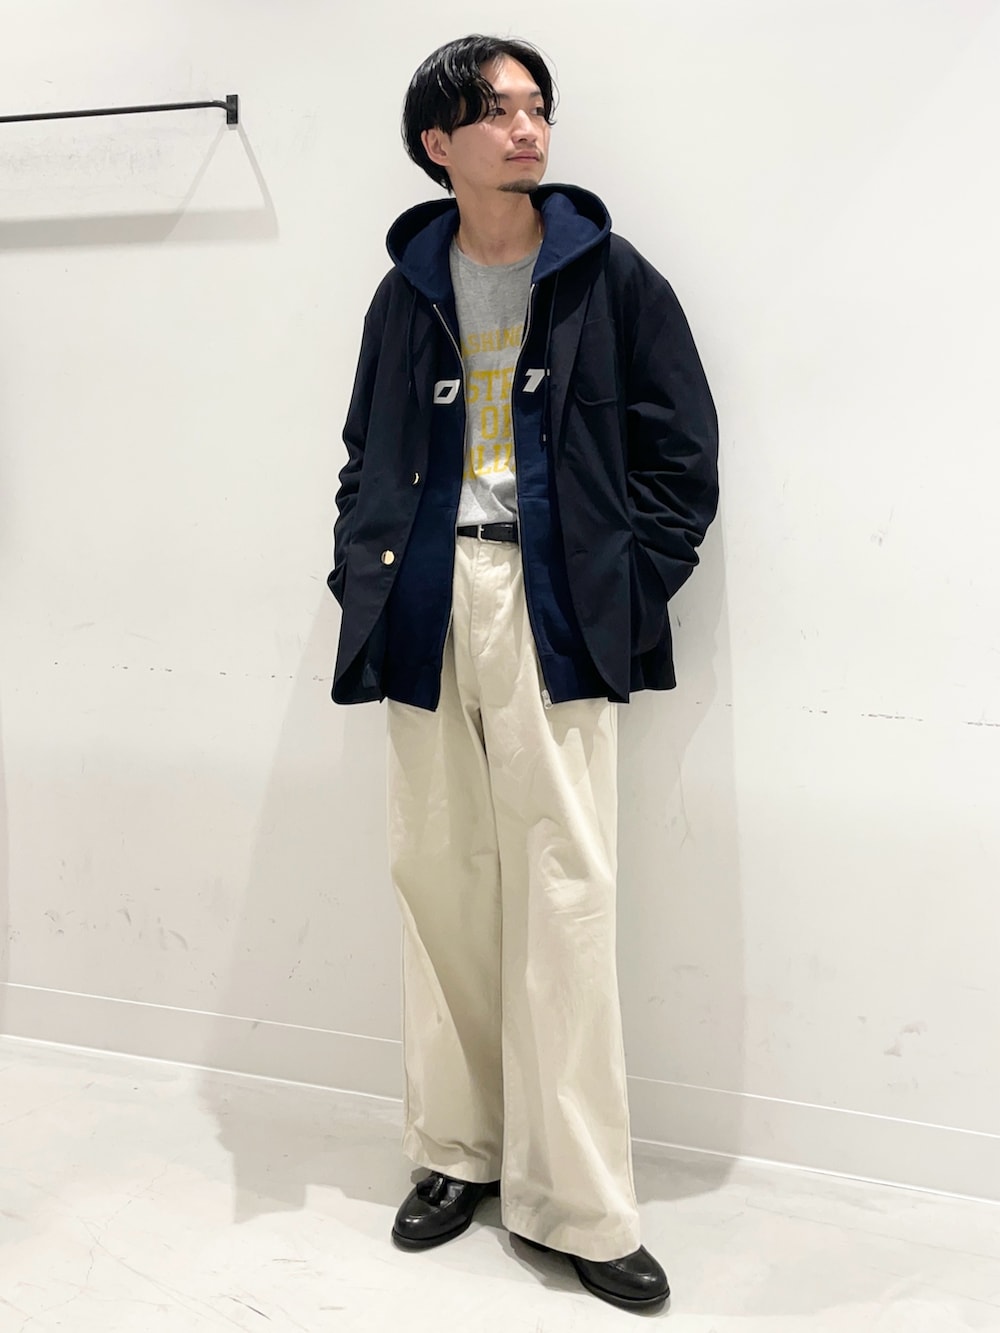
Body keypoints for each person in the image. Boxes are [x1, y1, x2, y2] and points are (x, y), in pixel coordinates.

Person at [328, 34, 718, 1314]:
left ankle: (578, 1202)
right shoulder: (406, 291)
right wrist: (357, 568)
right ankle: (458, 1151)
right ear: (436, 142)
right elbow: (363, 452)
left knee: (565, 893)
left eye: (537, 106)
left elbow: (682, 457)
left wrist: (621, 584)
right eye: (496, 110)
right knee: (438, 879)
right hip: (422, 601)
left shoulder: (609, 275)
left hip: (548, 606)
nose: (527, 128)